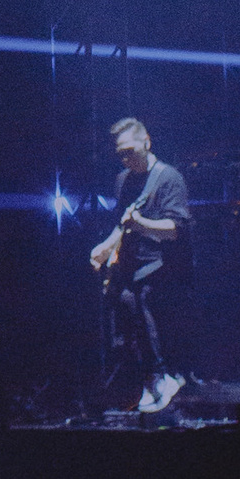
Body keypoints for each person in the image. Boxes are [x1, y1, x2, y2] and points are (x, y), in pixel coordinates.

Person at [90, 116, 192, 416]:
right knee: (118, 301)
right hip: (133, 264)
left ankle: (162, 375)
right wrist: (105, 247)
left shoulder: (168, 178)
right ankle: (150, 377)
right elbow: (122, 225)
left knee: (142, 298)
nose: (126, 158)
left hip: (164, 264)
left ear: (147, 142)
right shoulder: (123, 180)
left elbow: (175, 229)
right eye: (120, 153)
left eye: (130, 150)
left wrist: (141, 223)